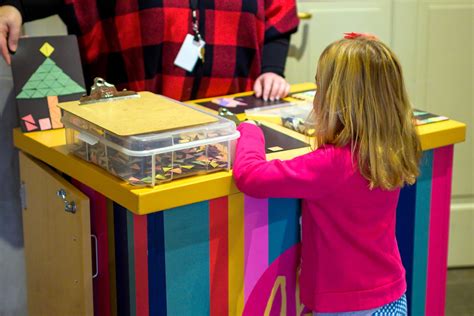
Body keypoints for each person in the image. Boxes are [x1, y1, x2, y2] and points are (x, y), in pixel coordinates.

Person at [233, 34, 421, 315]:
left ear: (335, 101)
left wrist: (249, 131)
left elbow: (250, 175)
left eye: (320, 88)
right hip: (392, 296)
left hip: (346, 306)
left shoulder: (331, 164)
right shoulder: (391, 147)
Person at [0, 0, 299, 101]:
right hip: (131, 141)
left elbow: (278, 16)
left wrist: (273, 70)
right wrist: (15, 5)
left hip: (230, 131)